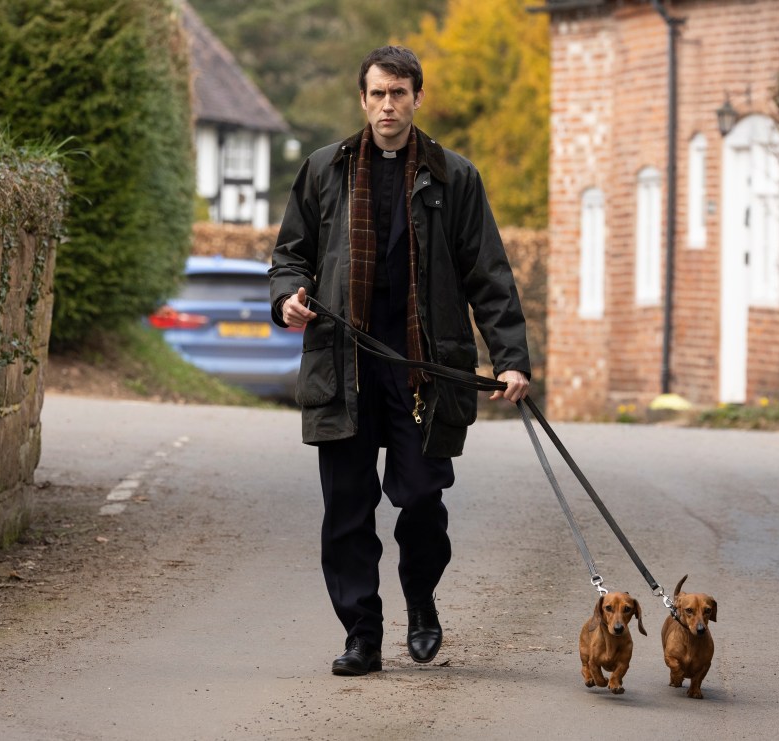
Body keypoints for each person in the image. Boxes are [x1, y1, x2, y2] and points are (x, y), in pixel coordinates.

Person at [269, 45, 530, 676]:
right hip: (344, 364)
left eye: (400, 93)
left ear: (417, 98)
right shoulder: (325, 169)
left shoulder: (453, 177)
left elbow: (487, 274)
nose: (389, 105)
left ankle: (420, 599)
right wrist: (288, 302)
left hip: (423, 370)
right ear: (363, 101)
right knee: (348, 510)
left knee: (421, 503)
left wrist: (512, 358)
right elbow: (289, 258)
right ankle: (362, 633)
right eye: (378, 94)